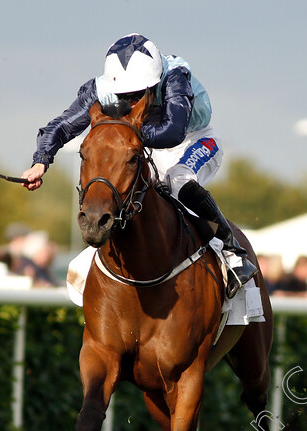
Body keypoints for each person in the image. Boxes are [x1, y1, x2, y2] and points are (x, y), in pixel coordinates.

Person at [20, 33, 255, 297]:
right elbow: (62, 125)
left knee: (177, 181)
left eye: (137, 95)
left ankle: (231, 249)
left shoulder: (175, 77)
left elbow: (173, 131)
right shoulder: (100, 88)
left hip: (193, 140)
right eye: (124, 95)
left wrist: (125, 134)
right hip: (138, 142)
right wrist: (41, 161)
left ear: (154, 82)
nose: (130, 102)